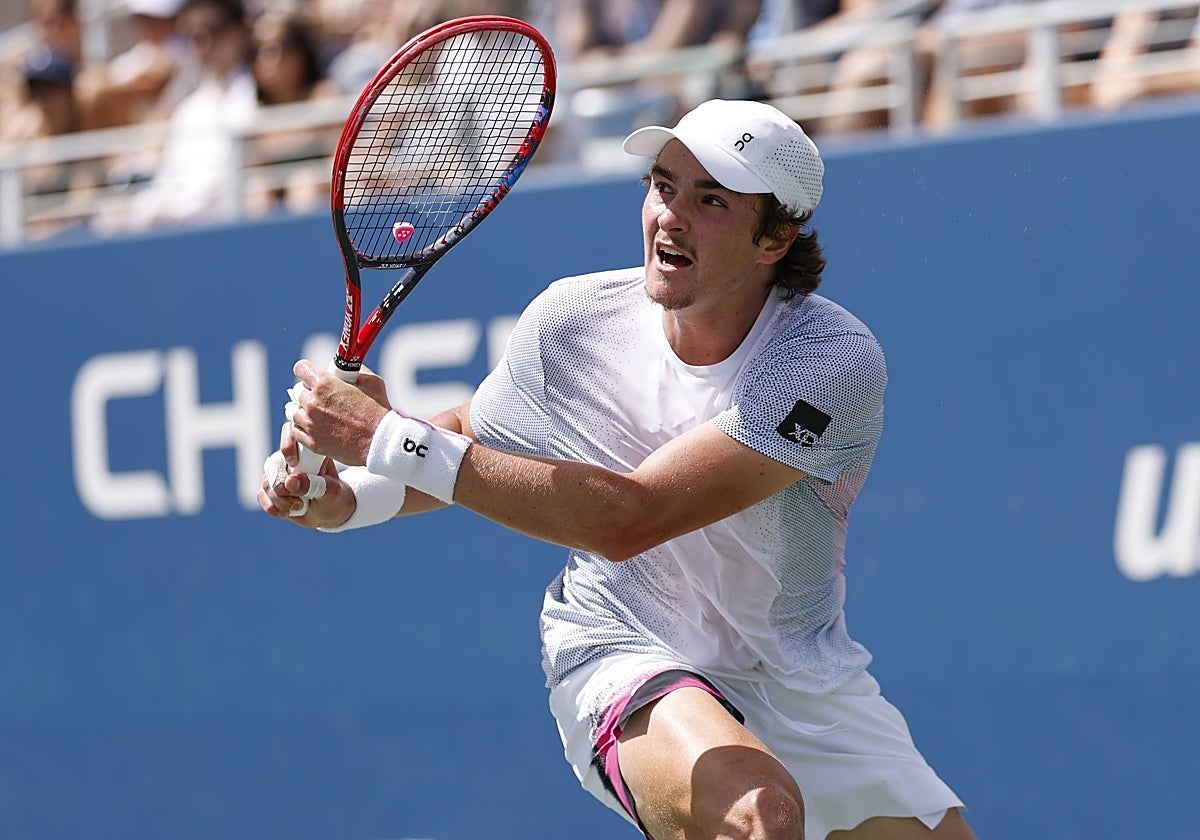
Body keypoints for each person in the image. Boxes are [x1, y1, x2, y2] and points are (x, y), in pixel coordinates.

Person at [259, 98, 977, 840]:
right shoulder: (571, 320)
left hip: (796, 675)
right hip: (626, 645)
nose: (671, 215)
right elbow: (475, 435)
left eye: (712, 200)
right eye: (663, 185)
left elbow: (631, 518)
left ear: (776, 238)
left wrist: (386, 437)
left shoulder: (828, 361)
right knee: (757, 814)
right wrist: (352, 498)